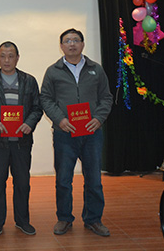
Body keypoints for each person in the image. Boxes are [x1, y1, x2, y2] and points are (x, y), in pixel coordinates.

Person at [40, 28, 113, 237]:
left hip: (92, 134)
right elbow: (45, 98)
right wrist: (60, 119)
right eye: (67, 41)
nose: (72, 44)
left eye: (76, 40)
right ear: (61, 46)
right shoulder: (53, 71)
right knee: (63, 180)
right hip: (64, 134)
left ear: (82, 44)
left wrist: (98, 119)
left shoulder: (96, 69)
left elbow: (106, 98)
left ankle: (93, 219)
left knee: (94, 180)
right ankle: (64, 218)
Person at [0, 41, 43, 237]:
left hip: (22, 142)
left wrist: (29, 123)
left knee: (22, 183)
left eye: (11, 56)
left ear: (17, 58)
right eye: (3, 56)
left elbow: (37, 108)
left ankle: (22, 221)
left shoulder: (29, 81)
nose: (7, 60)